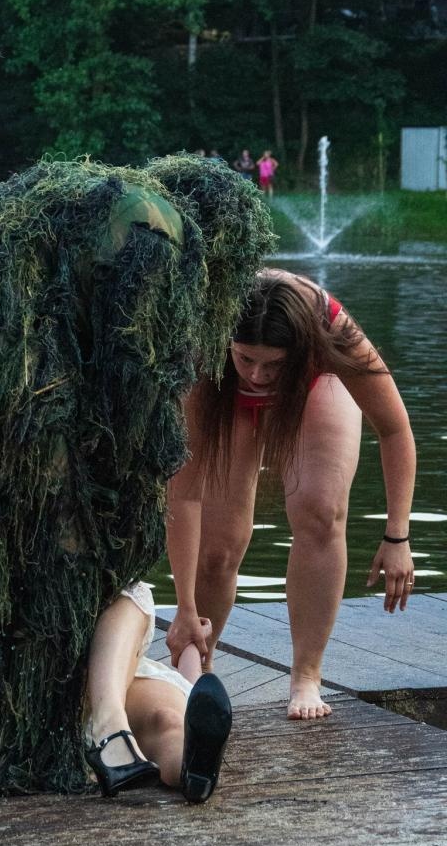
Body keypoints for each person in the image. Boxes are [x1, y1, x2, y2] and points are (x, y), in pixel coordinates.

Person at [0, 154, 273, 794]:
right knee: (119, 594)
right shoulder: (158, 228)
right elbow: (134, 374)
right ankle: (117, 729)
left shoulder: (50, 206)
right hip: (13, 388)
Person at [165, 269, 416, 721]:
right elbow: (183, 496)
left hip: (316, 385)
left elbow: (394, 428)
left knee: (320, 512)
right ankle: (199, 664)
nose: (259, 375)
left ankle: (306, 675)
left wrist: (397, 536)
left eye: (273, 364)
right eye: (247, 359)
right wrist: (183, 607)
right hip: (224, 395)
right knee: (219, 548)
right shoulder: (202, 340)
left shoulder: (333, 331)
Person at [84, 583, 232, 803]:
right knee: (130, 596)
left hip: (111, 666)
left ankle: (191, 768)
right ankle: (111, 730)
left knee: (170, 719)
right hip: (65, 674)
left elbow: (192, 688)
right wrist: (190, 647)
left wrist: (190, 648)